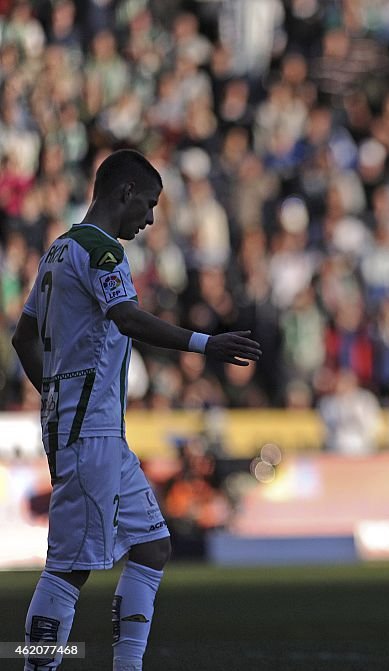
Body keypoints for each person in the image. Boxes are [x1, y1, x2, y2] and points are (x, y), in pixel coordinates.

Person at [11, 149, 261, 671]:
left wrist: (54, 395)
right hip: (91, 432)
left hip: (93, 428)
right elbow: (126, 318)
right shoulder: (103, 252)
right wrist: (204, 343)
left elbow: (22, 336)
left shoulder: (58, 250)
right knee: (67, 569)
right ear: (123, 193)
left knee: (153, 546)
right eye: (148, 205)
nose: (149, 219)